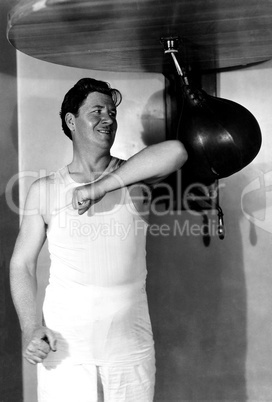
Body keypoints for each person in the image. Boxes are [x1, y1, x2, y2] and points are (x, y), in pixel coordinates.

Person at [10, 78, 188, 402]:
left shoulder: (135, 178)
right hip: (63, 344)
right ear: (71, 121)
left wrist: (102, 186)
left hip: (129, 341)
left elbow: (176, 152)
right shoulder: (45, 189)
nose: (108, 119)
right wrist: (29, 328)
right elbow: (22, 263)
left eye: (112, 112)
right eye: (97, 111)